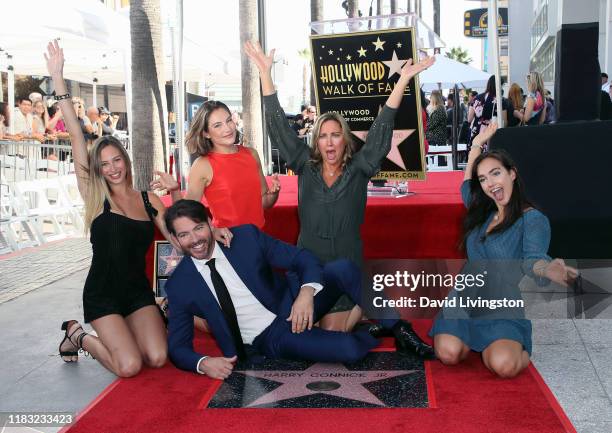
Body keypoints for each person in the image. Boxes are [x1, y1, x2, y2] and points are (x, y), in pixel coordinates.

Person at [245, 40, 436, 332]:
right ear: (316, 141)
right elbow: (279, 128)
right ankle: (367, 303)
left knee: (333, 333)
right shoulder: (304, 166)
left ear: (344, 139)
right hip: (309, 269)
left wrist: (404, 80)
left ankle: (364, 302)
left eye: (336, 135)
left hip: (346, 267)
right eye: (323, 136)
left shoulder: (359, 169)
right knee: (302, 330)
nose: (330, 141)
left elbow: (382, 129)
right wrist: (264, 73)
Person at [164, 199, 434, 377]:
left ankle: (397, 327)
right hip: (270, 336)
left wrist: (306, 293)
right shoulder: (179, 285)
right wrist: (203, 363)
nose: (195, 239)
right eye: (184, 234)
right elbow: (177, 347)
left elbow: (300, 258)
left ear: (211, 224)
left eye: (198, 228)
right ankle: (371, 331)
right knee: (350, 350)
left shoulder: (244, 237)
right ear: (175, 240)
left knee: (343, 269)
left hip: (293, 304)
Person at [46, 40, 179, 377]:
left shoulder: (148, 198)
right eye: (104, 164)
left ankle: (126, 332)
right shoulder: (94, 193)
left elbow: (179, 236)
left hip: (136, 291)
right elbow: (76, 135)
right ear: (98, 169)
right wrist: (58, 80)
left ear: (126, 160)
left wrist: (176, 193)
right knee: (129, 366)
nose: (113, 168)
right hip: (103, 293)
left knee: (158, 357)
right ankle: (78, 334)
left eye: (117, 159)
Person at [430, 123, 577, 378]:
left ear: (512, 174)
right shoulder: (481, 209)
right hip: (464, 296)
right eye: (484, 179)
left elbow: (532, 260)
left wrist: (547, 269)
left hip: (500, 303)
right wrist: (477, 143)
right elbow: (466, 183)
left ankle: (516, 344)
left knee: (504, 366)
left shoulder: (533, 220)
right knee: (448, 354)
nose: (490, 184)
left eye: (496, 173)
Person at [152, 100, 281, 245]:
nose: (228, 128)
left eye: (228, 120)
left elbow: (264, 203)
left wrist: (274, 194)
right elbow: (186, 213)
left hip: (259, 240)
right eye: (217, 125)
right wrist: (212, 230)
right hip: (229, 242)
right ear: (206, 133)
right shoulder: (203, 165)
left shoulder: (252, 154)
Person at [468, 76, 509, 150]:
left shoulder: (476, 98)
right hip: (491, 133)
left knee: (476, 155)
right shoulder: (500, 100)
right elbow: (504, 122)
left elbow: (469, 119)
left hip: (476, 132)